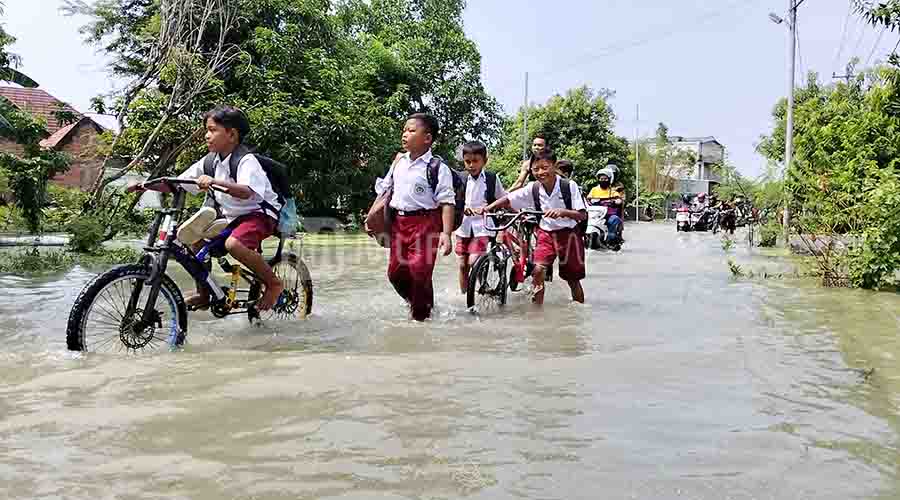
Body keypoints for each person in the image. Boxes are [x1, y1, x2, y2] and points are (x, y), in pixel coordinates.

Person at [173, 106, 284, 311]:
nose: (206, 135)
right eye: (206, 130)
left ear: (232, 135)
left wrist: (214, 181)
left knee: (234, 245)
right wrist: (146, 185)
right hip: (231, 218)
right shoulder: (209, 162)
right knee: (195, 241)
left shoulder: (246, 160)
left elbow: (246, 192)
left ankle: (274, 284)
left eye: (212, 130)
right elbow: (180, 182)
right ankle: (204, 293)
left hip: (259, 214)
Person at [476, 149, 587, 306]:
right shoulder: (533, 188)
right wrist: (488, 208)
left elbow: (582, 215)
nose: (540, 172)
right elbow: (509, 199)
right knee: (537, 271)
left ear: (554, 166)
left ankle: (579, 310)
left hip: (569, 236)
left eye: (545, 167)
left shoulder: (569, 186)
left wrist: (563, 212)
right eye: (536, 169)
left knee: (572, 279)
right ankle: (537, 312)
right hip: (545, 234)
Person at [380, 113, 456, 321]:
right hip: (399, 223)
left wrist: (446, 234)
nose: (405, 134)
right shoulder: (398, 162)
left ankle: (420, 321)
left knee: (420, 272)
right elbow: (384, 190)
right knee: (395, 274)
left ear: (427, 138)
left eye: (411, 130)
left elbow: (447, 202)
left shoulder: (438, 167)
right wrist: (373, 219)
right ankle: (420, 303)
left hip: (426, 223)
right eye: (404, 130)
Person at [456, 141, 507, 294]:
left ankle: (481, 284)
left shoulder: (491, 179)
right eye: (467, 161)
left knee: (474, 260)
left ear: (484, 161)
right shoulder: (460, 178)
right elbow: (451, 200)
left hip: (483, 226)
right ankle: (465, 297)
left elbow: (502, 199)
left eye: (475, 161)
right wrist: (462, 208)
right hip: (462, 226)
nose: (471, 165)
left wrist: (489, 209)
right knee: (462, 264)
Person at [586, 167, 624, 246]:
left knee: (614, 219)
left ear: (609, 180)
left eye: (605, 179)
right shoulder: (594, 190)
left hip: (608, 214)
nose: (603, 180)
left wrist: (616, 201)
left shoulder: (612, 191)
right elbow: (588, 199)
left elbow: (619, 199)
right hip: (595, 214)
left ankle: (610, 239)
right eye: (601, 179)